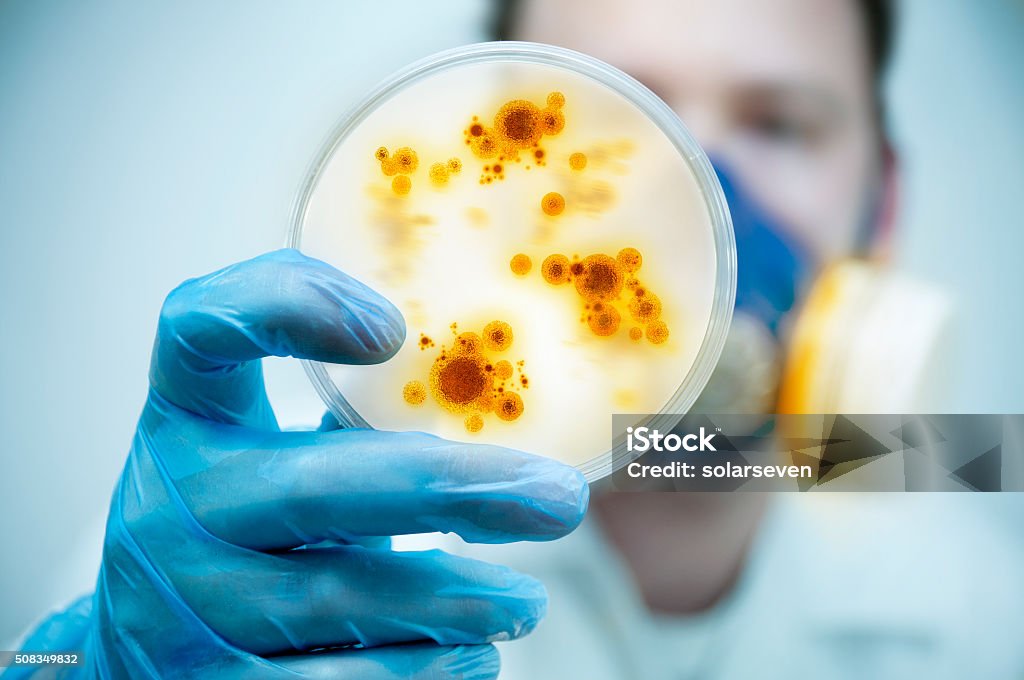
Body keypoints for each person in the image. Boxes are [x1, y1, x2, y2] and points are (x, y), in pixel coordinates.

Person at [9, 1, 1024, 678]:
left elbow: (958, 462)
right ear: (489, 173)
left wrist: (920, 454)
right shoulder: (247, 541)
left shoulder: (982, 590)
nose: (695, 196)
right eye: (617, 118)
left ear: (881, 207)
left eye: (782, 123)